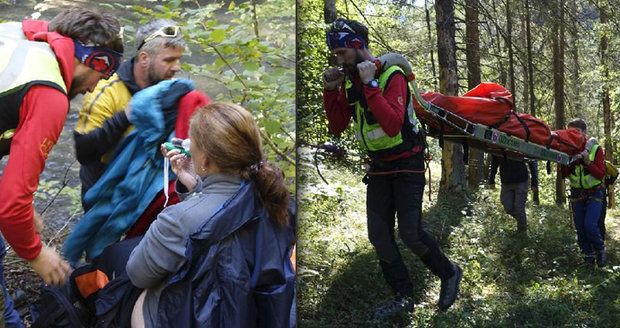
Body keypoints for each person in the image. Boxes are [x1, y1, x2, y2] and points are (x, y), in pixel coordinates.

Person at [322, 18, 462, 318]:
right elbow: (337, 126)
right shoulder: (351, 82)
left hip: (408, 165)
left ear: (358, 46)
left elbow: (392, 122)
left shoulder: (391, 75)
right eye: (335, 55)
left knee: (410, 234)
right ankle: (403, 296)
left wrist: (372, 84)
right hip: (379, 169)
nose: (338, 59)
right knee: (379, 237)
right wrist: (331, 90)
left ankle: (449, 273)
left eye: (342, 52)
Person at [0, 8, 123, 326]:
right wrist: (36, 254)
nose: (95, 88)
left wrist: (25, 212)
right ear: (94, 60)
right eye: (104, 74)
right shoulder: (49, 94)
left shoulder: (22, 36)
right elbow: (10, 207)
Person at [123, 102, 295, 327]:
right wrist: (196, 187)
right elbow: (226, 216)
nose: (188, 144)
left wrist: (196, 198)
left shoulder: (176, 220)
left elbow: (138, 274)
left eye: (192, 141)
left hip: (207, 317)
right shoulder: (276, 200)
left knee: (136, 295)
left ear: (204, 159)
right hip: (262, 314)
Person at [74, 19, 185, 211]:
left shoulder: (172, 89)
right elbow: (84, 152)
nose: (177, 67)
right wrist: (125, 117)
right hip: (104, 190)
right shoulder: (105, 90)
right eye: (168, 60)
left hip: (148, 187)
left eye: (178, 59)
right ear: (144, 58)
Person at [561, 118, 607, 268]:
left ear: (584, 133)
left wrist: (587, 162)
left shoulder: (595, 149)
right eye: (570, 132)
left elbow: (600, 174)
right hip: (576, 194)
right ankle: (588, 257)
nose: (573, 135)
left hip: (595, 193)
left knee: (590, 225)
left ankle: (600, 250)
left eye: (577, 132)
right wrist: (567, 162)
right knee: (580, 228)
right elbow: (565, 173)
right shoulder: (568, 149)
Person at [488, 156, 539, 233]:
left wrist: (534, 182)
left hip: (521, 180)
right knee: (508, 208)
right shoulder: (498, 147)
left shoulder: (521, 145)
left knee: (519, 208)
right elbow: (494, 163)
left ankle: (522, 233)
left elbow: (532, 161)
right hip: (506, 181)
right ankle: (522, 221)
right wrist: (491, 180)